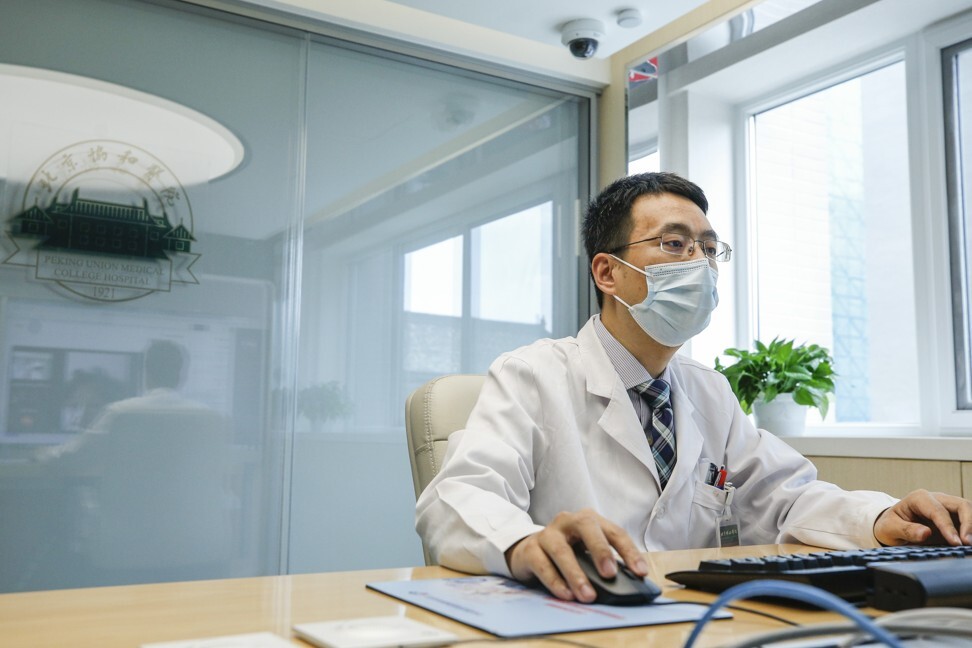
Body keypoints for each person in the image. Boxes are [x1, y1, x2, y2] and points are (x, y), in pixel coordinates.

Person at [415, 171, 972, 604]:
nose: (700, 264)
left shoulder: (708, 392)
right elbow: (456, 500)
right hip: (579, 617)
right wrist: (522, 542)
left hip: (689, 620)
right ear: (607, 273)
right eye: (675, 245)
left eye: (708, 248)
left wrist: (882, 518)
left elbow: (784, 498)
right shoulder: (531, 374)